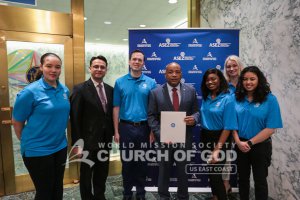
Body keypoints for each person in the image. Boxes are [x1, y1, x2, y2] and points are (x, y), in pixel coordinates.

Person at [12, 53, 70, 200]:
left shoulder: (64, 90)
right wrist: (28, 141)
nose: (53, 70)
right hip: (37, 150)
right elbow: (17, 122)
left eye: (57, 67)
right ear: (42, 67)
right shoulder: (29, 92)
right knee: (45, 191)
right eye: (49, 66)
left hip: (60, 146)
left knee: (57, 188)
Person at [148, 62, 200, 200]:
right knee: (164, 171)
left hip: (185, 138)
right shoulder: (155, 92)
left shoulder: (191, 90)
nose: (174, 75)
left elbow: (196, 112)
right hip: (164, 140)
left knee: (183, 172)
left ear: (181, 73)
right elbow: (151, 116)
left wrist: (194, 119)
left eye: (177, 71)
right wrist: (161, 134)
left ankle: (183, 197)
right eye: (170, 72)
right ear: (165, 74)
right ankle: (163, 197)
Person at [233, 66, 283, 200]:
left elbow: (271, 128)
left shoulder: (270, 99)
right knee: (242, 180)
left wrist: (250, 142)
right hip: (240, 145)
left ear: (259, 80)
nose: (248, 82)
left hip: (260, 147)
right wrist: (238, 142)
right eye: (245, 79)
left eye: (252, 79)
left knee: (260, 181)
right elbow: (232, 124)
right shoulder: (236, 98)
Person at [113, 49, 156, 200]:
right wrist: (116, 131)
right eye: (134, 59)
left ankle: (141, 193)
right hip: (125, 128)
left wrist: (152, 131)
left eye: (140, 59)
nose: (136, 62)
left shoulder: (151, 82)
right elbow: (116, 107)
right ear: (129, 61)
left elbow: (153, 109)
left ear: (144, 63)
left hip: (144, 128)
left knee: (142, 162)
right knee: (127, 162)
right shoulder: (120, 82)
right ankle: (126, 192)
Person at [70, 55, 114, 200]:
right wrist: (78, 145)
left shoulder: (110, 89)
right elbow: (75, 119)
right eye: (96, 66)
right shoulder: (80, 89)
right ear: (90, 68)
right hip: (87, 142)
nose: (99, 69)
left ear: (106, 70)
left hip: (105, 140)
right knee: (86, 175)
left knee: (102, 172)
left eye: (102, 67)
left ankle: (100, 196)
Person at [200, 68, 237, 200]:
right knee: (211, 173)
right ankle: (215, 197)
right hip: (205, 137)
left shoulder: (228, 98)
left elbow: (228, 127)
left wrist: (217, 148)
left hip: (221, 138)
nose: (210, 82)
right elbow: (205, 117)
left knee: (216, 175)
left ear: (220, 80)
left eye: (213, 79)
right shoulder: (207, 97)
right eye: (207, 80)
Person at [222, 55, 244, 194]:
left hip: (244, 127)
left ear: (240, 66)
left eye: (234, 65)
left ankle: (244, 190)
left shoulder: (248, 83)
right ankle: (225, 186)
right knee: (226, 160)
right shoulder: (223, 86)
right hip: (227, 128)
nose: (231, 69)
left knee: (244, 162)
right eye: (228, 66)